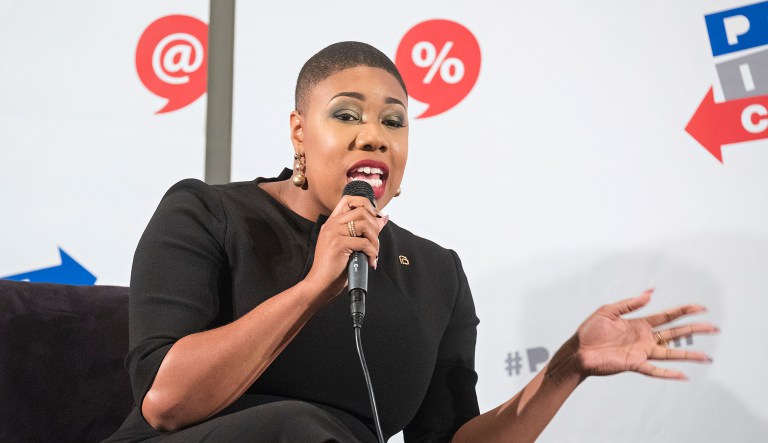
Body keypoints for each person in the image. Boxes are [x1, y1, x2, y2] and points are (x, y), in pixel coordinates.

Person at [106, 41, 717, 442]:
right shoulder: (207, 213)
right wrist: (315, 287)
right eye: (346, 115)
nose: (374, 135)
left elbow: (448, 438)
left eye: (393, 121)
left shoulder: (435, 273)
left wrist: (565, 369)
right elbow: (165, 401)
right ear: (298, 132)